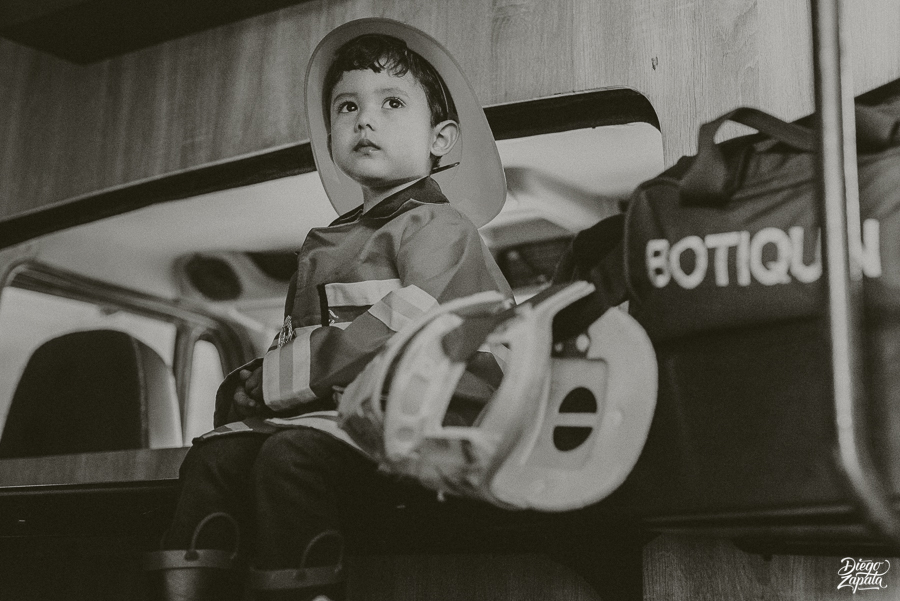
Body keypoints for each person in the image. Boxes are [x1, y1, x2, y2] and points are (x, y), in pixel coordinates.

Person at [155, 18, 512, 601]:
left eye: (391, 102)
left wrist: (271, 382)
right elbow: (302, 346)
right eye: (347, 107)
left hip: (435, 416)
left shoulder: (440, 227)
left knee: (289, 457)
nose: (364, 119)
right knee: (213, 459)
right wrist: (255, 381)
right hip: (350, 412)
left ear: (440, 139)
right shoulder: (328, 243)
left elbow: (402, 324)